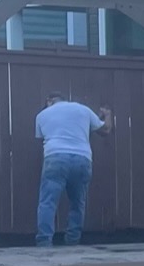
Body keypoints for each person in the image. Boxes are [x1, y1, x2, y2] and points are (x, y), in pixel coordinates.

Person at [35, 93, 111, 247]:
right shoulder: (83, 110)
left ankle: (44, 242)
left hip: (55, 157)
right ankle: (72, 242)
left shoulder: (42, 115)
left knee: (47, 202)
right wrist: (107, 115)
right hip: (82, 158)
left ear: (49, 101)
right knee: (77, 203)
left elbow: (41, 139)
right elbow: (105, 130)